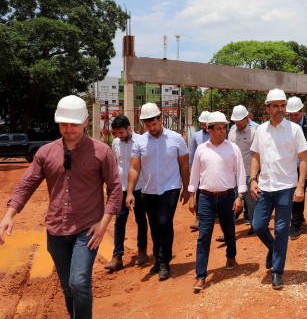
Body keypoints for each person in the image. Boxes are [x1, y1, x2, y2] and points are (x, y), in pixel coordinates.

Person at [0, 95, 122, 318]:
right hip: (55, 230)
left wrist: (104, 223)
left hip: (88, 229)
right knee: (68, 287)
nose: (68, 129)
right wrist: (9, 214)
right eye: (64, 124)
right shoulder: (45, 153)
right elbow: (26, 184)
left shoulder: (102, 152)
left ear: (85, 122)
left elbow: (115, 189)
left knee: (79, 283)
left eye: (74, 124)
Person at [250, 88, 307, 289]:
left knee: (282, 229)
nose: (280, 109)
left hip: (286, 186)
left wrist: (300, 186)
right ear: (268, 108)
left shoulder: (294, 130)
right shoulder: (260, 130)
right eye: (275, 106)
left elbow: (303, 158)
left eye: (283, 105)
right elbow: (256, 156)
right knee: (258, 225)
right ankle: (274, 249)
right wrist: (252, 179)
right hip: (266, 186)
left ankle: (277, 271)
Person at [127, 103, 190, 280]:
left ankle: (164, 262)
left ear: (160, 119)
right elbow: (134, 168)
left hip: (170, 187)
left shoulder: (176, 138)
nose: (151, 128)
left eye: (154, 124)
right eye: (147, 125)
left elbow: (184, 164)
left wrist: (186, 189)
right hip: (148, 190)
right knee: (154, 225)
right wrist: (130, 192)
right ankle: (158, 259)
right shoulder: (140, 142)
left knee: (164, 222)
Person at [188, 112, 246, 291]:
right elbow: (195, 174)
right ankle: (201, 276)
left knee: (229, 230)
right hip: (205, 197)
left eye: (224, 128)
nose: (223, 131)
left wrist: (240, 196)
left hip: (228, 196)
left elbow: (241, 172)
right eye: (219, 128)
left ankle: (231, 255)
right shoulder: (201, 149)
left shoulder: (233, 148)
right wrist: (192, 196)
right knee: (203, 236)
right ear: (209, 129)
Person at [105, 115, 149, 272]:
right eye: (116, 133)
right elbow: (116, 163)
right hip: (121, 188)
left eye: (121, 132)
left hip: (139, 187)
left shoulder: (141, 141)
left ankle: (142, 251)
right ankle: (117, 257)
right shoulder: (116, 143)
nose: (119, 136)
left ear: (129, 128)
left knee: (140, 219)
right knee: (119, 220)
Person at [286, 96, 307, 240]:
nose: (293, 118)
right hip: (291, 165)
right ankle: (297, 221)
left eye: (296, 115)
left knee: (304, 192)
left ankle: (297, 222)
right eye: (290, 115)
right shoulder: (285, 125)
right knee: (294, 192)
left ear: (302, 111)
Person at [228, 105, 257, 234]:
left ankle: (254, 225)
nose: (237, 123)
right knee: (232, 202)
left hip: (248, 173)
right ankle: (228, 230)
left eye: (240, 120)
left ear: (247, 118)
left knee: (251, 204)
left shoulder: (254, 133)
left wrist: (256, 176)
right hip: (234, 175)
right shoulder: (231, 133)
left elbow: (258, 155)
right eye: (236, 120)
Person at [188, 111, 211, 231]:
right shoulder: (196, 136)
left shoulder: (216, 134)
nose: (203, 127)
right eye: (201, 124)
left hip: (213, 170)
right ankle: (198, 218)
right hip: (199, 170)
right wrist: (190, 167)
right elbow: (192, 152)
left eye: (205, 125)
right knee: (198, 193)